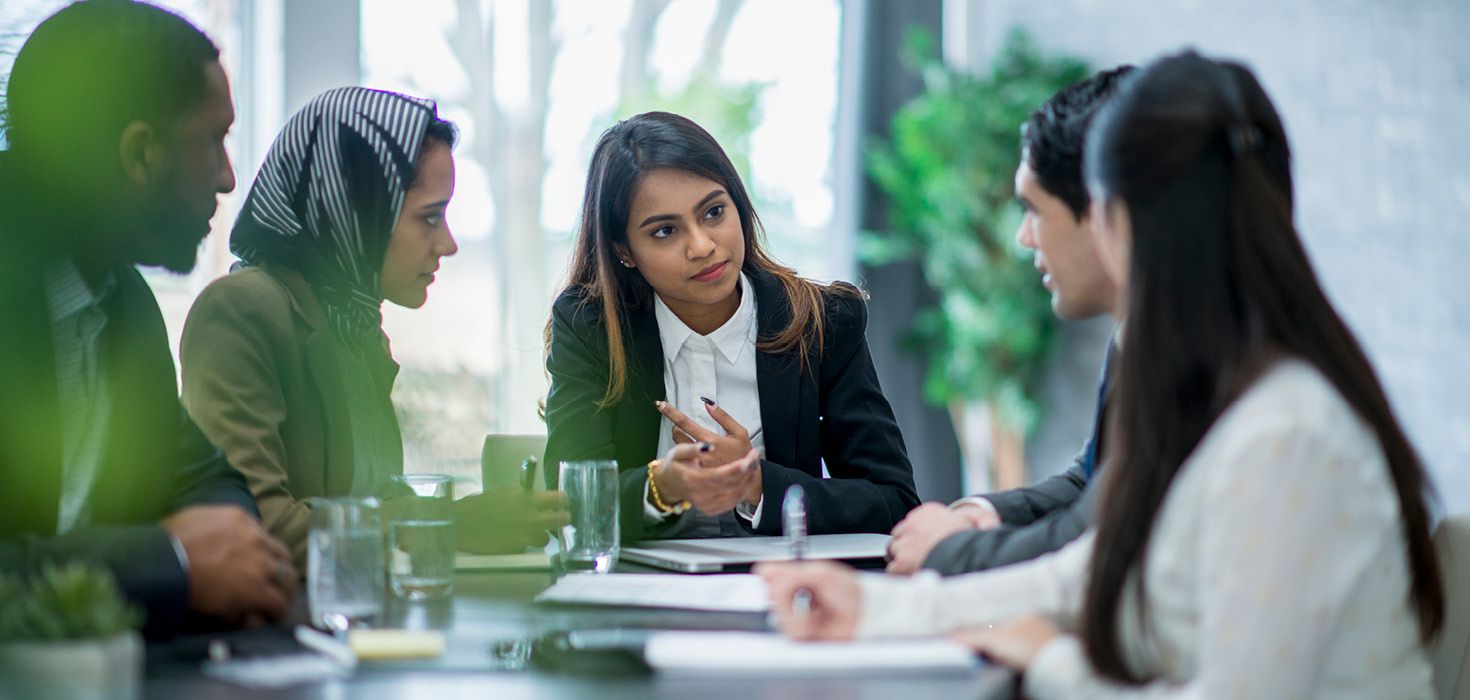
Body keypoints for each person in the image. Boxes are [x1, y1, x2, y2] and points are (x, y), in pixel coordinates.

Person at [761, 50, 1444, 698]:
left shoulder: (1284, 435)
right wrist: (870, 608)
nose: (1027, 236)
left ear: (1115, 223)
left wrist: (1048, 659)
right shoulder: (1207, 396)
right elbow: (1080, 578)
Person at [0, 0, 295, 637]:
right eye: (214, 140)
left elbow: (208, 479)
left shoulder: (122, 302)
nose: (228, 177)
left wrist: (218, 546)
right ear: (139, 155)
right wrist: (172, 561)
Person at [180, 87, 566, 571]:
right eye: (429, 217)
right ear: (352, 210)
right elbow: (257, 526)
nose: (447, 244)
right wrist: (450, 525)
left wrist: (465, 516)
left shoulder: (355, 327)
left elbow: (372, 498)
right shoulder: (242, 311)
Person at [544, 111, 919, 541]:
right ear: (624, 250)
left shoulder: (823, 322)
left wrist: (757, 484)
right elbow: (568, 502)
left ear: (739, 206)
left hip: (785, 593)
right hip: (640, 597)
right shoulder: (589, 326)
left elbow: (894, 503)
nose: (702, 246)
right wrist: (660, 487)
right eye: (665, 231)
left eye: (714, 212)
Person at [886, 67, 1133, 576]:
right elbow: (1092, 482)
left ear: (1108, 210)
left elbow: (1092, 539)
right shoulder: (1134, 336)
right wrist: (984, 513)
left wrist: (948, 550)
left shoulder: (1195, 361)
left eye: (1034, 209)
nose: (1024, 238)